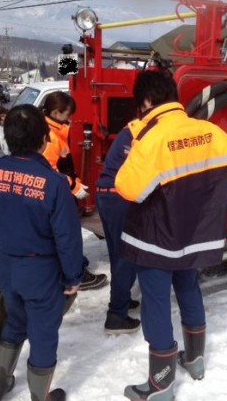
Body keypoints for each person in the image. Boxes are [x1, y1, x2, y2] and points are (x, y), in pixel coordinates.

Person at [115, 71, 227, 400]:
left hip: (156, 241)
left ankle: (161, 386)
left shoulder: (151, 139)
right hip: (195, 235)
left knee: (157, 304)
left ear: (146, 102)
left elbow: (128, 188)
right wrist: (211, 196)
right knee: (189, 289)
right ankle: (195, 362)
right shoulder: (210, 131)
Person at [0, 104, 84, 401]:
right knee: (44, 332)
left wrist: (10, 238)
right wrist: (74, 277)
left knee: (16, 320)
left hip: (6, 267)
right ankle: (39, 395)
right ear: (44, 139)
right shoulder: (54, 184)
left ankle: (0, 380)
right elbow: (67, 239)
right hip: (41, 272)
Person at [42, 91, 107, 291]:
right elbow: (49, 172)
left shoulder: (55, 131)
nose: (69, 120)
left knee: (64, 236)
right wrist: (73, 186)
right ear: (55, 112)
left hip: (62, 191)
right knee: (67, 236)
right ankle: (77, 275)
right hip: (59, 195)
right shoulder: (50, 137)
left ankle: (75, 267)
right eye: (67, 115)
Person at [95, 124, 140, 335]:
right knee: (127, 256)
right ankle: (116, 315)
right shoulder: (146, 132)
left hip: (105, 193)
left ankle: (122, 298)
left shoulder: (130, 128)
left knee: (117, 253)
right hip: (119, 196)